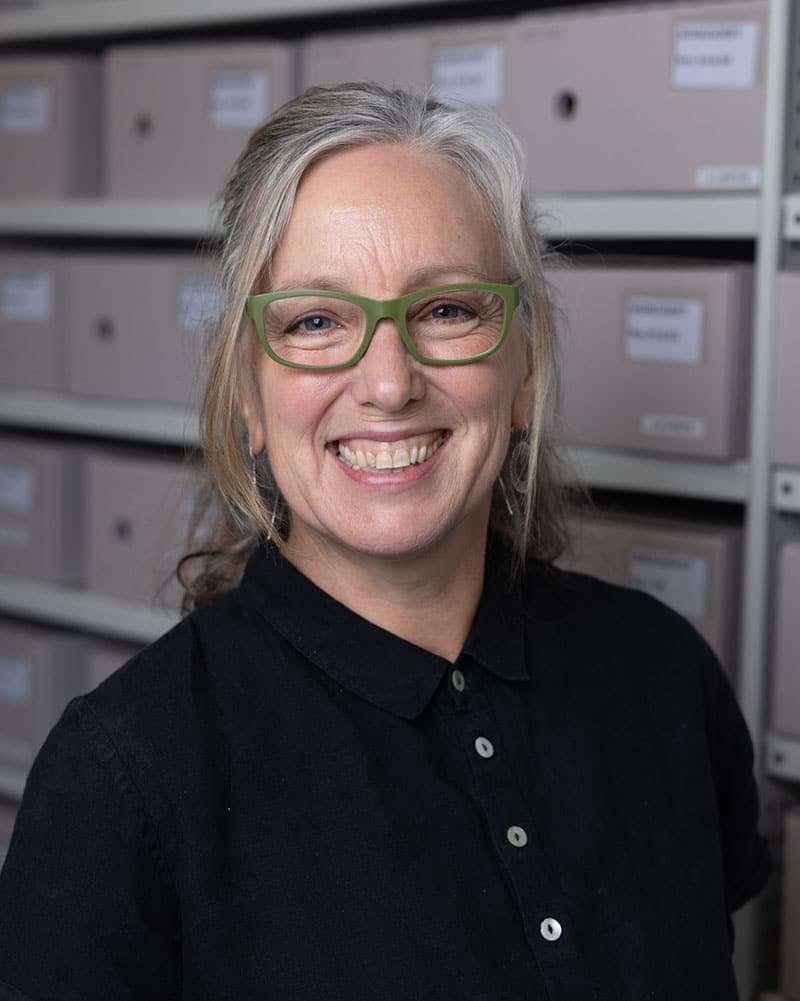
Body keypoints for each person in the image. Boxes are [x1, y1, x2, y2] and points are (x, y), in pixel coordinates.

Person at [0, 83, 769, 1000]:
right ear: (247, 397)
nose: (390, 382)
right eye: (316, 322)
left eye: (447, 310)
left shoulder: (663, 672)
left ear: (524, 368)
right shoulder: (121, 779)